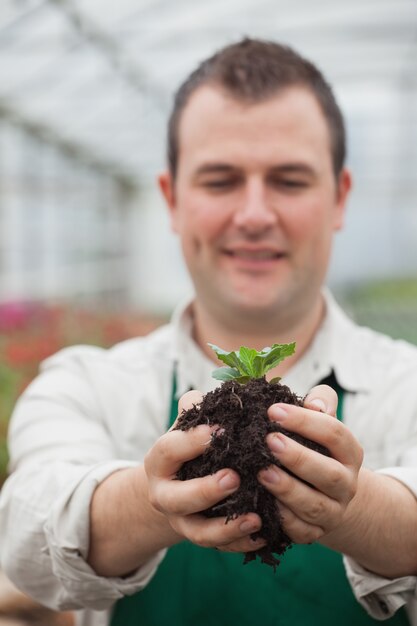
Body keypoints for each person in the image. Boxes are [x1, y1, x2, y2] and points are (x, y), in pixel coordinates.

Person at [0, 38, 417, 626]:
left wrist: (358, 509)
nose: (253, 214)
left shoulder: (408, 388)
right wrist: (153, 499)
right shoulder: (89, 384)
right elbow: (26, 543)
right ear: (171, 200)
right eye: (220, 180)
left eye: (289, 181)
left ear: (338, 198)